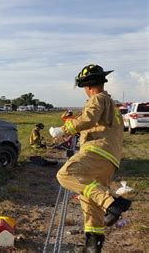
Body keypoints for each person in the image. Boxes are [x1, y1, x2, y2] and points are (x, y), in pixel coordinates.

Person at [51, 64, 130, 252]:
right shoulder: (111, 104)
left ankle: (113, 202)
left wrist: (64, 129)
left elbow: (88, 119)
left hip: (97, 152)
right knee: (89, 199)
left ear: (87, 86)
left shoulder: (97, 99)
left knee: (66, 174)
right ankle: (93, 245)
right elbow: (96, 124)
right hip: (110, 159)